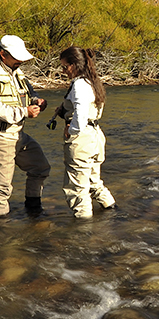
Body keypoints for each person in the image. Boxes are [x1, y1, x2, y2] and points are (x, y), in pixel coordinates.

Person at [0, 35, 51, 217]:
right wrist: (25, 112)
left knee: (40, 168)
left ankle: (33, 211)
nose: (21, 61)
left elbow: (30, 94)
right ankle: (2, 230)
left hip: (18, 135)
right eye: (17, 58)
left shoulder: (17, 72)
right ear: (3, 54)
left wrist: (37, 101)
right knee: (1, 189)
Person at [53, 46, 115, 219]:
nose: (63, 71)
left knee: (77, 190)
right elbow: (92, 110)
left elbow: (80, 115)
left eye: (65, 67)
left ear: (74, 65)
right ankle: (112, 212)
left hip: (82, 140)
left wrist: (71, 131)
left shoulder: (79, 85)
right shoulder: (93, 82)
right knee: (94, 182)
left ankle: (84, 234)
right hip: (96, 136)